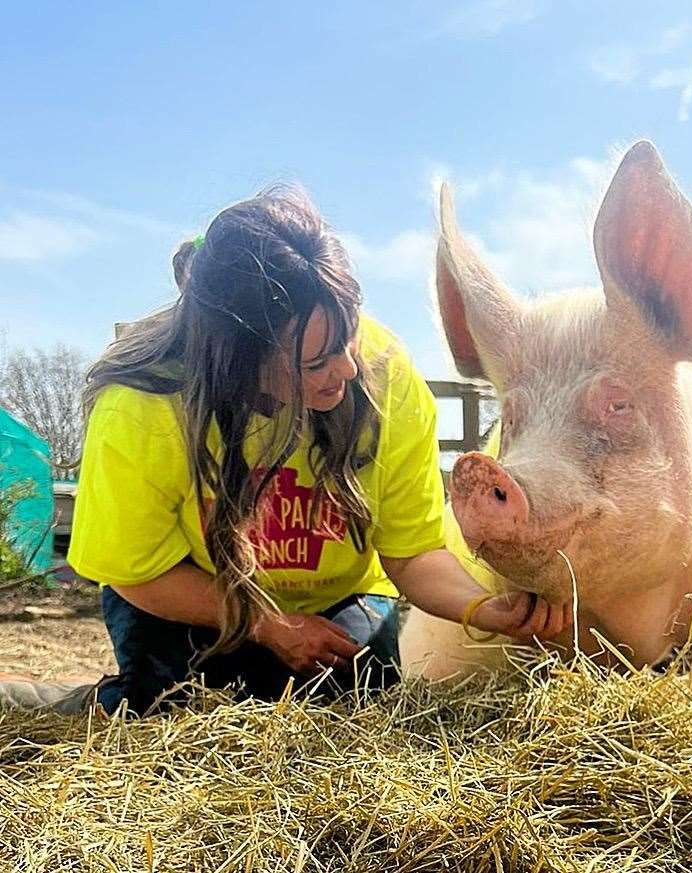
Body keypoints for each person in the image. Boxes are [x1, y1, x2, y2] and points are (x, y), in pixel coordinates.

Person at [9, 186, 572, 716]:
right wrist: (269, 625)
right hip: (190, 591)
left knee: (357, 712)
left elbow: (412, 554)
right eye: (314, 363)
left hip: (337, 596)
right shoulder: (144, 403)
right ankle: (63, 703)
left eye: (347, 341)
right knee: (185, 713)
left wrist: (486, 610)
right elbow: (138, 574)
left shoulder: (383, 376)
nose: (346, 372)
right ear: (236, 360)